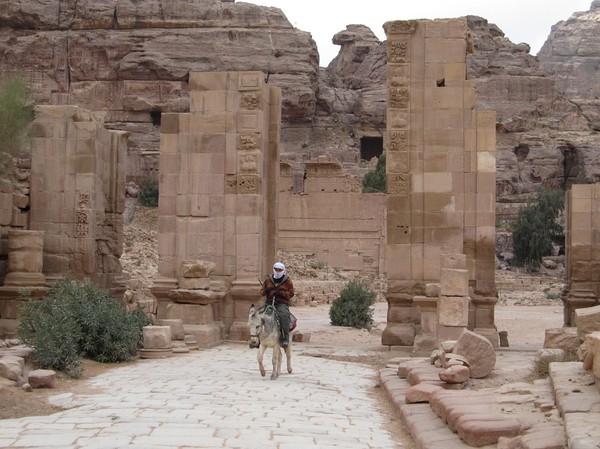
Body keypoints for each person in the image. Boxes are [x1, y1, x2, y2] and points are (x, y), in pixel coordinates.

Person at [260, 262, 294, 347]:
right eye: (276, 269)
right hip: (269, 302)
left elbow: (291, 293)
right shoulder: (268, 280)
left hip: (281, 303)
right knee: (259, 316)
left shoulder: (287, 280)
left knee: (284, 316)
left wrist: (281, 293)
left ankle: (285, 338)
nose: (278, 271)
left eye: (280, 270)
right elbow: (261, 292)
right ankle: (257, 337)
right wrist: (266, 291)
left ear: (283, 270)